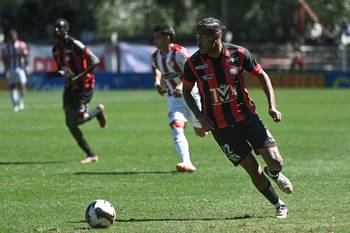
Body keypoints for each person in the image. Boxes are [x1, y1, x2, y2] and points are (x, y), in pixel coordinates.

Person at [182, 17, 293, 218]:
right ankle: (279, 204)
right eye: (196, 36)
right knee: (253, 169)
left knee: (275, 161)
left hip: (248, 118)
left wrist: (272, 106)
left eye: (202, 37)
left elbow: (262, 75)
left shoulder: (239, 54)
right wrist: (199, 116)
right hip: (221, 128)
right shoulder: (193, 63)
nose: (198, 41)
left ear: (216, 36)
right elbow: (187, 91)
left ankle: (275, 173)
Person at [47, 18, 106, 164]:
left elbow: (95, 60)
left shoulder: (75, 45)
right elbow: (63, 69)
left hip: (84, 86)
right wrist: (55, 74)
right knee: (70, 123)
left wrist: (79, 76)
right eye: (55, 28)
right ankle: (91, 155)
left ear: (66, 30)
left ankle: (98, 111)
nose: (56, 31)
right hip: (69, 87)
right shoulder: (55, 49)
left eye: (59, 28)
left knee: (78, 119)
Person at [151, 25, 208, 173]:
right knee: (176, 125)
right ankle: (186, 162)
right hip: (173, 97)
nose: (155, 40)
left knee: (201, 132)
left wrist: (182, 85)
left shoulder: (180, 53)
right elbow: (157, 69)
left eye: (157, 37)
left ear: (167, 38)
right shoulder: (155, 56)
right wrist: (158, 83)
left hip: (191, 95)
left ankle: (206, 125)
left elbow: (194, 71)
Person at [1, 29, 29, 112]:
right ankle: (15, 105)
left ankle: (21, 101)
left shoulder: (22, 45)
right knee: (12, 87)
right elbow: (5, 59)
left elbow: (25, 56)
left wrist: (27, 66)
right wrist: (6, 70)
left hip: (20, 68)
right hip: (11, 69)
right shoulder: (6, 47)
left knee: (22, 86)